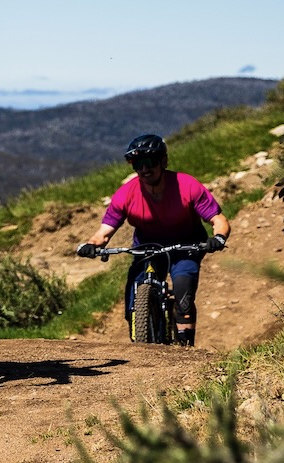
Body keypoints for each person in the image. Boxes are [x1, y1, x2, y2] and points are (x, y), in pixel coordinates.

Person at [76, 134, 232, 347]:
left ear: (163, 161)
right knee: (132, 302)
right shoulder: (125, 194)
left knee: (182, 292)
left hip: (186, 245)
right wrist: (92, 245)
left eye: (149, 162)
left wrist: (219, 238)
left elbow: (218, 219)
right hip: (147, 247)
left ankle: (186, 348)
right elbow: (104, 231)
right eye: (137, 164)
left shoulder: (187, 186)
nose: (144, 169)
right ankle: (144, 333)